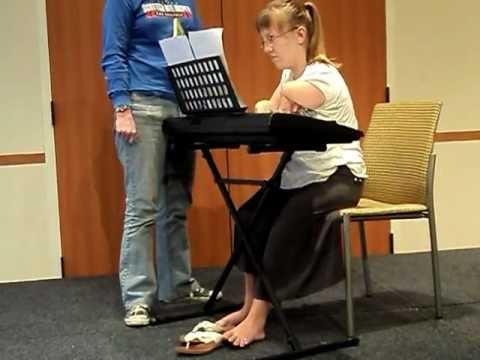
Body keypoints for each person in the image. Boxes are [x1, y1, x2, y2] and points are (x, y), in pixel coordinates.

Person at [216, 0, 367, 347]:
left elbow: (278, 102)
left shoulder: (323, 75)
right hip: (303, 176)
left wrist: (279, 95)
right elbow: (271, 109)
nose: (267, 48)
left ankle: (259, 318)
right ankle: (249, 304)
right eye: (263, 41)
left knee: (284, 225)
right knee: (249, 217)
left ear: (300, 34)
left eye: (272, 39)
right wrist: (277, 96)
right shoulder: (290, 77)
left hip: (340, 177)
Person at [101, 0, 217, 327]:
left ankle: (177, 286)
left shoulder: (186, 2)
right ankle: (138, 299)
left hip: (183, 107)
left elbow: (197, 51)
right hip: (142, 105)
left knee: (177, 203)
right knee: (142, 206)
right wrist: (121, 107)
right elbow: (113, 53)